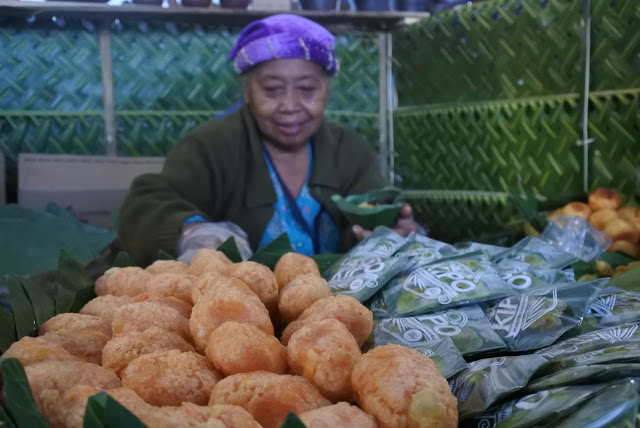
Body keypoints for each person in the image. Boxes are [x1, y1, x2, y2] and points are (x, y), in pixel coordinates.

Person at [118, 14, 420, 267]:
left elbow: (371, 216)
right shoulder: (211, 146)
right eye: (273, 89)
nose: (290, 106)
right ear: (248, 93)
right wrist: (193, 232)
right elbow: (146, 202)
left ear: (326, 92)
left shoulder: (349, 150)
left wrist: (389, 233)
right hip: (240, 309)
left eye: (307, 89)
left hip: (334, 304)